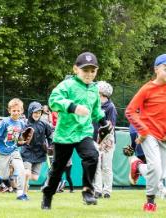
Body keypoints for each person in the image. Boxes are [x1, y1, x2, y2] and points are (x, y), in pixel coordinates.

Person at [41, 52, 112, 210]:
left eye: (92, 71)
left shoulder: (94, 89)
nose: (89, 74)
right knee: (58, 169)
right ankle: (47, 195)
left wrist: (103, 122)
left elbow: (95, 110)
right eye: (85, 70)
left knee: (92, 156)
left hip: (83, 132)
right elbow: (53, 100)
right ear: (75, 69)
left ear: (96, 71)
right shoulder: (67, 85)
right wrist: (73, 107)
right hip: (65, 134)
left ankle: (87, 190)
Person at [126, 54, 166, 212]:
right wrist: (143, 130)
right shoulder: (146, 89)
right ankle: (150, 202)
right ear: (156, 69)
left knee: (158, 174)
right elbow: (130, 111)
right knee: (156, 168)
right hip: (149, 134)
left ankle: (138, 167)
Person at [0, 98, 28, 200]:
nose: (16, 113)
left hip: (14, 151)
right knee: (4, 176)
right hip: (2, 152)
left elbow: (19, 139)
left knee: (21, 169)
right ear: (9, 111)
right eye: (14, 110)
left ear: (21, 111)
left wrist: (22, 141)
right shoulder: (4, 122)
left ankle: (20, 194)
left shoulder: (22, 123)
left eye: (18, 110)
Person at [21, 101, 53, 197]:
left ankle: (18, 176)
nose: (37, 114)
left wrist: (51, 146)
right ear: (30, 112)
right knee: (26, 173)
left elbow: (50, 135)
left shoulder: (44, 124)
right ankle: (24, 193)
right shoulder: (25, 124)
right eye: (35, 112)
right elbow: (20, 139)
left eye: (39, 113)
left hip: (40, 153)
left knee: (35, 177)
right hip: (27, 151)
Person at [93, 81, 117, 199]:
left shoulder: (110, 107)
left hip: (108, 140)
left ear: (102, 93)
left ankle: (107, 190)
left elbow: (111, 126)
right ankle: (97, 190)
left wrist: (104, 140)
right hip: (94, 139)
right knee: (96, 165)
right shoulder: (93, 105)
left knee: (106, 166)